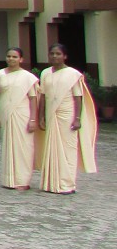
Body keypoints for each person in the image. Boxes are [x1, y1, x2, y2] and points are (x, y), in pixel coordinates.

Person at [37, 44, 98, 195]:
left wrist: (77, 118)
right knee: (52, 148)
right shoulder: (45, 73)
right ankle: (51, 183)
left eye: (58, 54)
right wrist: (41, 116)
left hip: (68, 114)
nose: (54, 56)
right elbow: (43, 97)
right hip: (52, 114)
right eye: (52, 54)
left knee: (68, 150)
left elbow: (78, 97)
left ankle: (67, 184)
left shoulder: (73, 74)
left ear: (65, 56)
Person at [0, 47, 40, 190]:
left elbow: (33, 98)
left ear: (21, 59)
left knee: (24, 147)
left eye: (14, 57)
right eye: (8, 56)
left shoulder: (28, 77)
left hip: (22, 113)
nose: (11, 59)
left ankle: (23, 180)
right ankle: (9, 180)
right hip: (5, 112)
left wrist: (33, 119)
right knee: (8, 144)